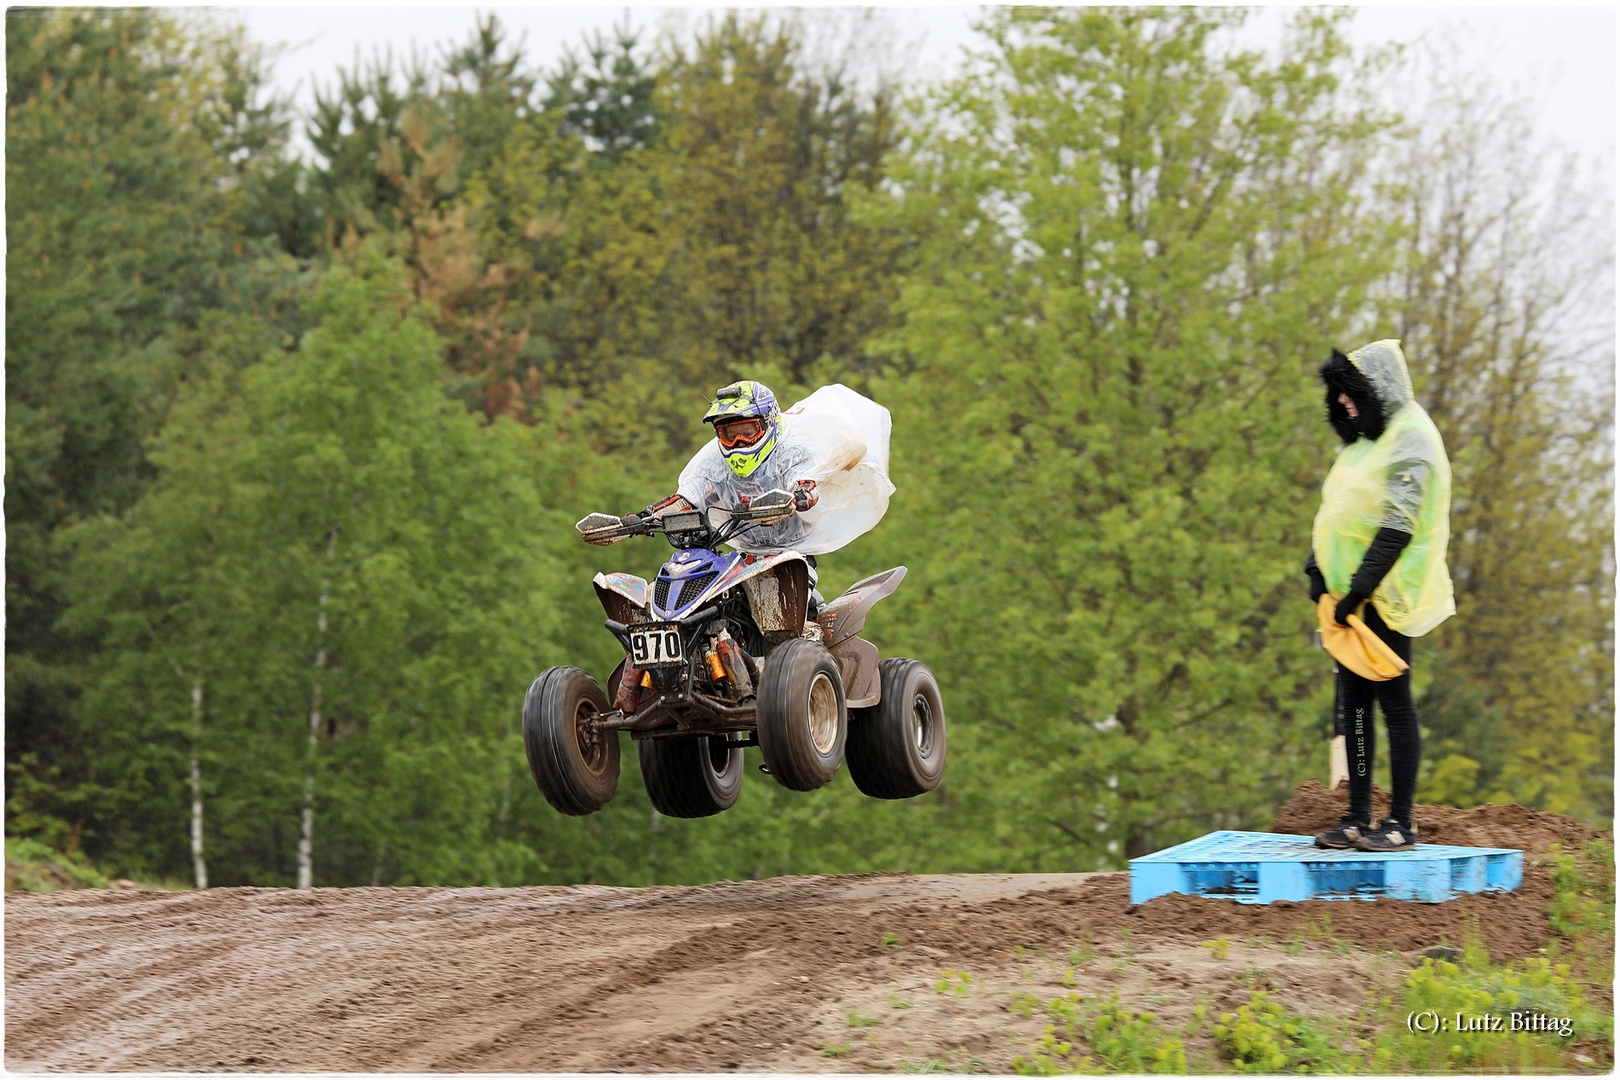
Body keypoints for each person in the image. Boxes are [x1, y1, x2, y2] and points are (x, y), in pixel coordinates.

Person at [1305, 340, 1454, 853]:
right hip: (1349, 597)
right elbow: (1336, 511)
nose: (1342, 403)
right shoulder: (1366, 440)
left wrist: (1359, 591)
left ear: (1376, 390)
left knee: (1393, 704)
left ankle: (1403, 823)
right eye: (1338, 395)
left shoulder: (1412, 438)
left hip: (1387, 597)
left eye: (1350, 392)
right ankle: (1357, 816)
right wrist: (1318, 572)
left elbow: (1398, 526)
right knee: (1353, 706)